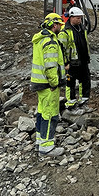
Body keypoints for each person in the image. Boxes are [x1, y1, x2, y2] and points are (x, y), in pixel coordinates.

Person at [30, 12, 66, 157]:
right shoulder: (50, 41)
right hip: (48, 84)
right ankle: (47, 146)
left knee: (42, 112)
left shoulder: (40, 39)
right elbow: (50, 65)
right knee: (50, 114)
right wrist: (55, 83)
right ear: (54, 25)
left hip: (39, 83)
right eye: (59, 25)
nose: (60, 28)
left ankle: (40, 139)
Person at [59, 6, 91, 109]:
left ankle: (83, 101)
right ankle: (70, 103)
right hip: (72, 62)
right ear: (71, 17)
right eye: (77, 18)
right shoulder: (65, 31)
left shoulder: (82, 28)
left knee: (85, 81)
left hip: (83, 60)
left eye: (80, 18)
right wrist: (65, 63)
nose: (79, 20)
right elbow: (61, 49)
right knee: (70, 83)